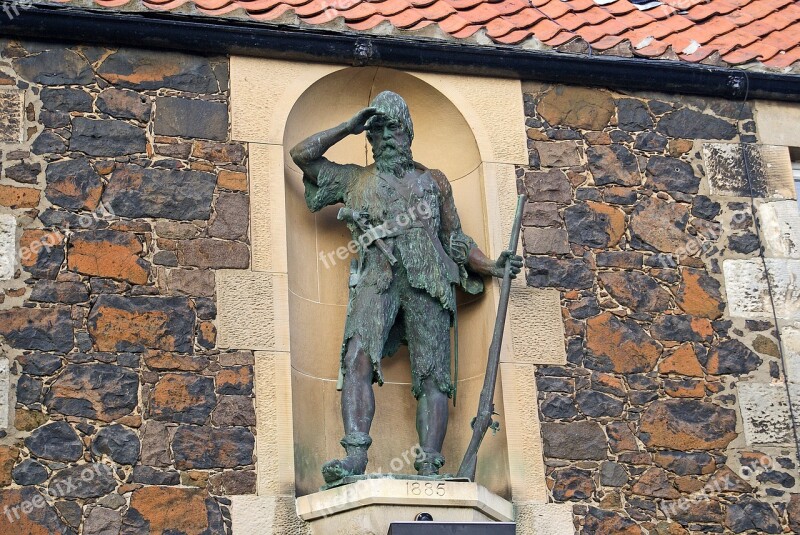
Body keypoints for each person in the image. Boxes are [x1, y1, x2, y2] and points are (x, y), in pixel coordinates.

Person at [290, 91, 523, 487]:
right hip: (378, 276)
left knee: (433, 374)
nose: (385, 137)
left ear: (408, 131)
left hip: (429, 278)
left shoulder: (434, 182)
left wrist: (492, 265)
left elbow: (455, 240)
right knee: (356, 358)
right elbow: (303, 155)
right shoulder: (355, 178)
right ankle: (355, 456)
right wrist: (348, 125)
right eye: (376, 130)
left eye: (393, 127)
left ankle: (430, 463)